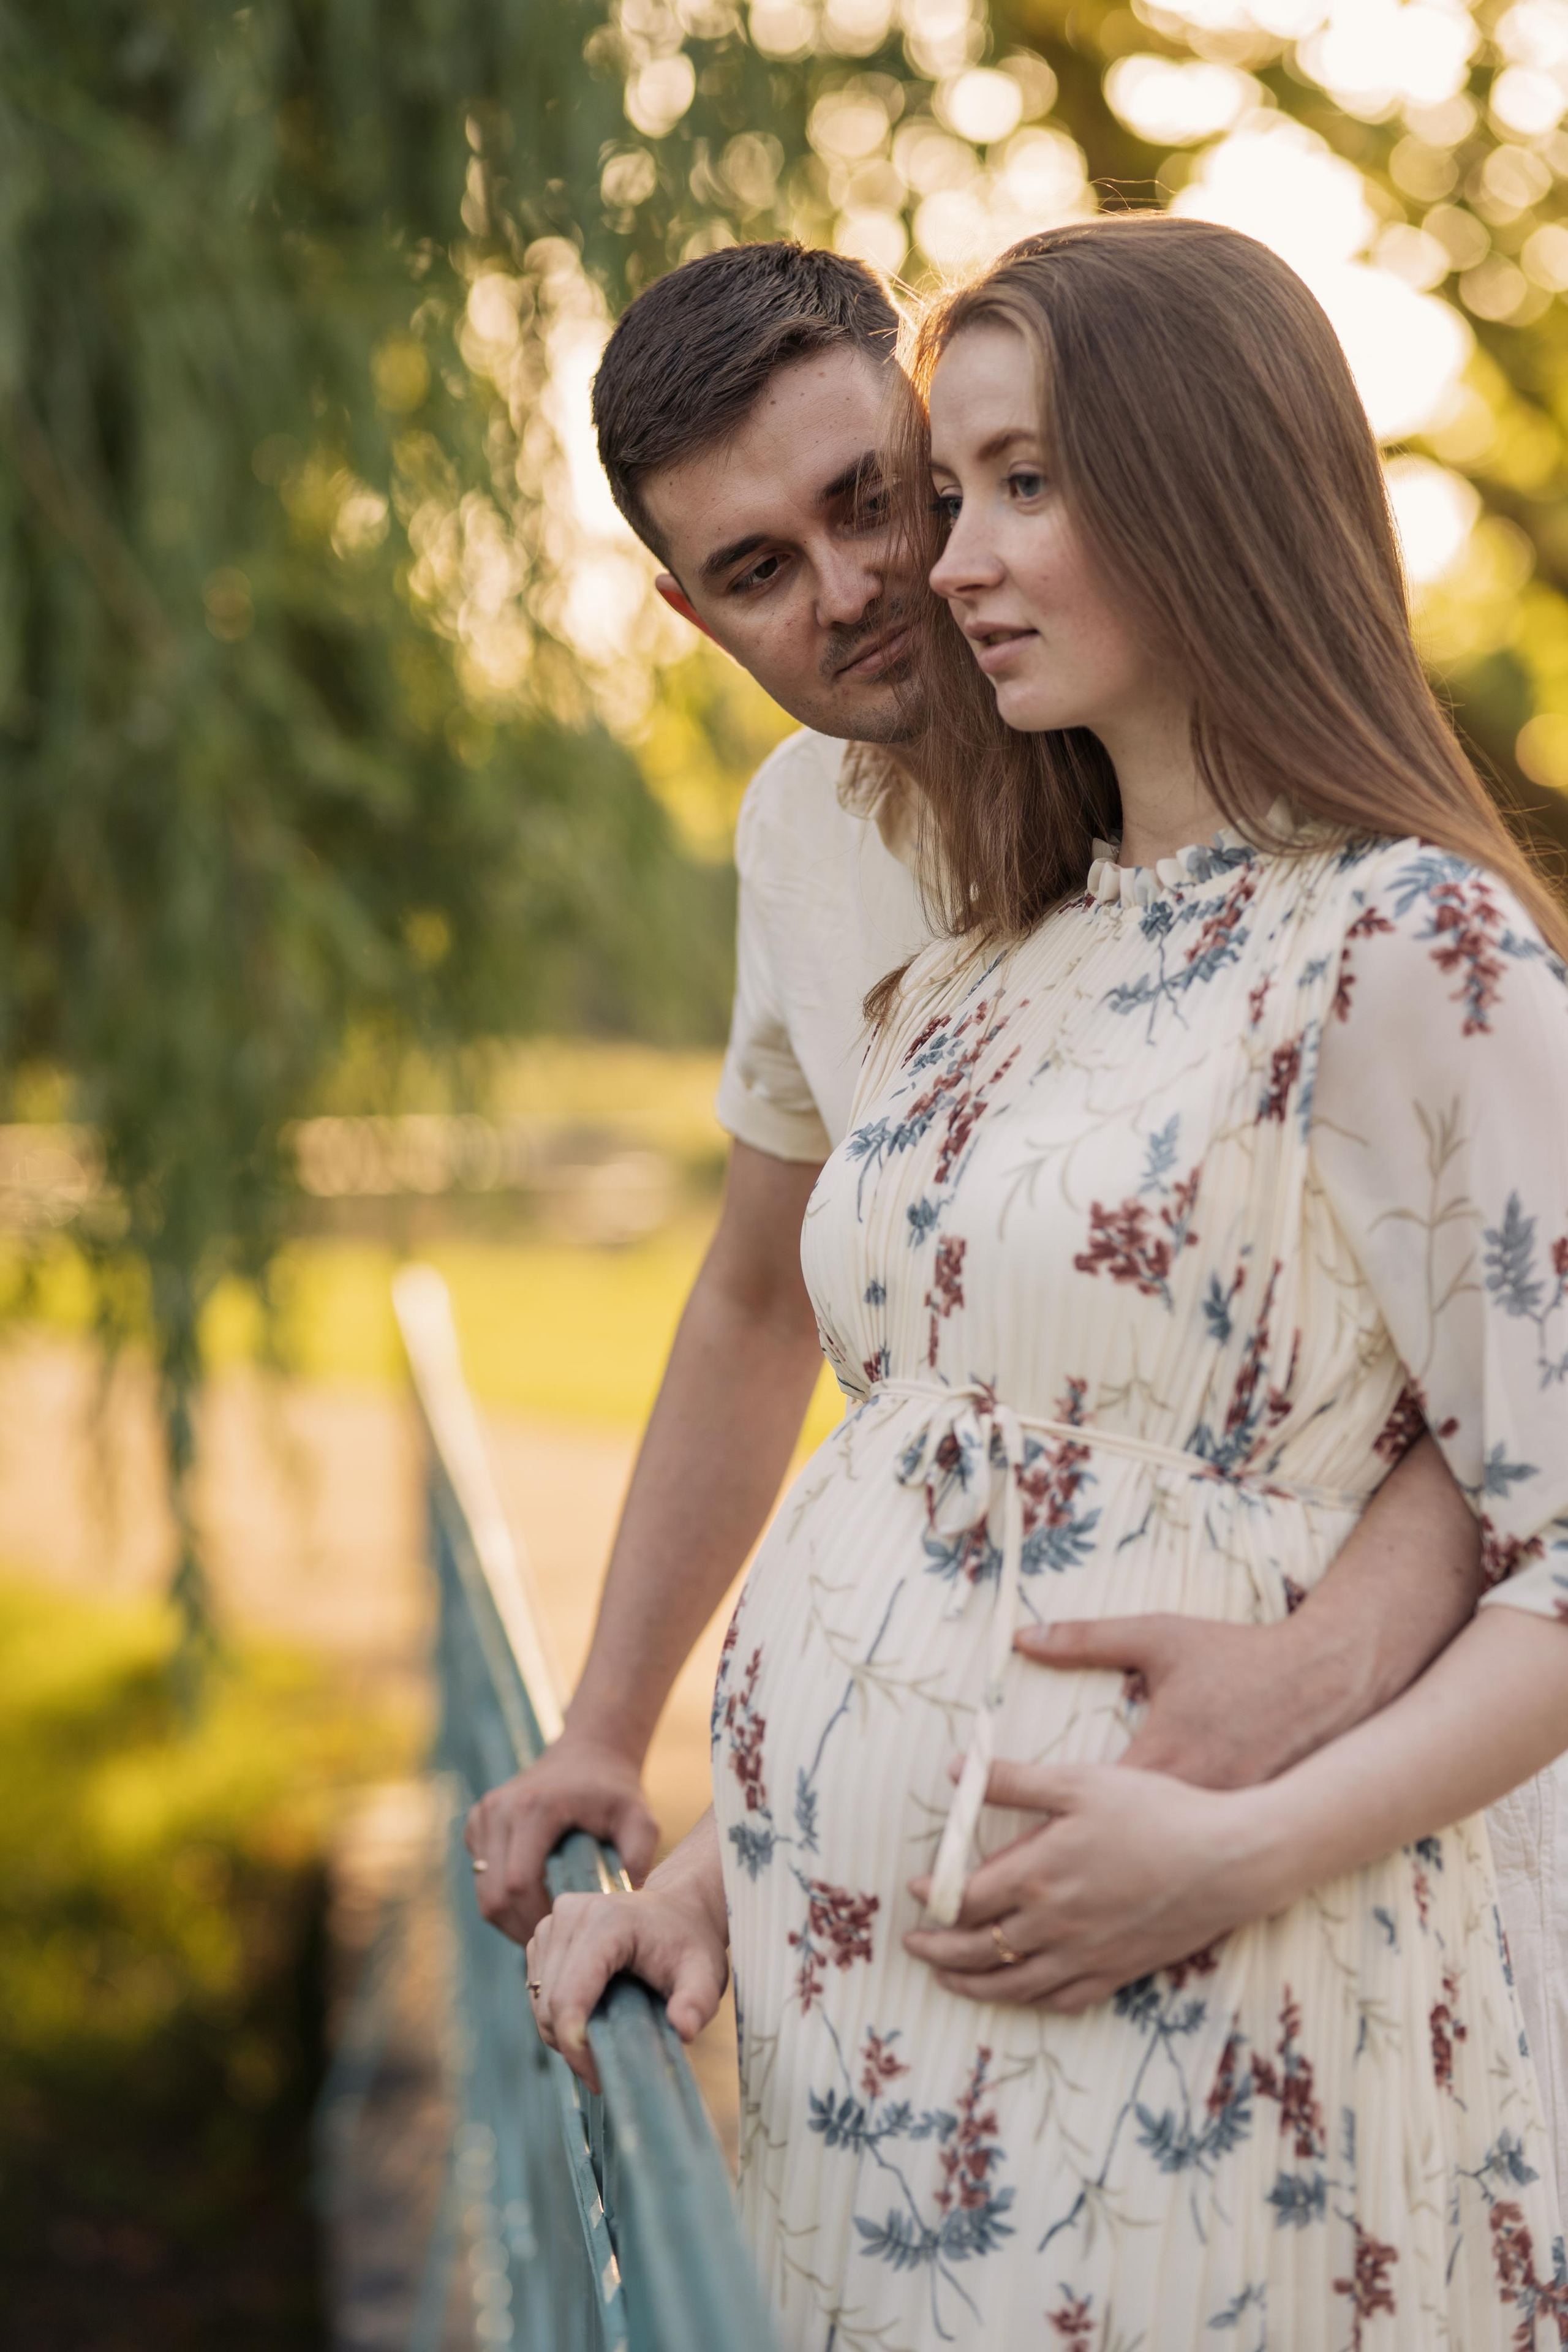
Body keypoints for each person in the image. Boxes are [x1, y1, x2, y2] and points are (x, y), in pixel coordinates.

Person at [527, 218, 1568, 2345]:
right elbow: (904, 1412)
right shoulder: (1012, 940)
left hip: (1225, 2015)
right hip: (898, 2053)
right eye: (962, 485)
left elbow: (1502, 1452)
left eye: (980, 490)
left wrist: (1262, 1801)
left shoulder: (1411, 941)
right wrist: (721, 1837)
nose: (916, 574)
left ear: (1194, 486)